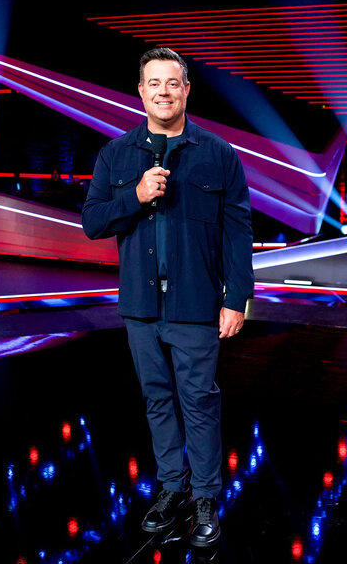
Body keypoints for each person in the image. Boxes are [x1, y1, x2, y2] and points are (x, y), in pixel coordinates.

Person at [81, 47, 254, 547]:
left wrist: (235, 298)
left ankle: (204, 499)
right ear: (141, 91)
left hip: (197, 305)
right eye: (153, 83)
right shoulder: (116, 155)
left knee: (199, 401)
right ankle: (172, 490)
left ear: (185, 90)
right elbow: (93, 222)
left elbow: (237, 232)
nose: (163, 91)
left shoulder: (218, 154)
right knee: (157, 400)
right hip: (139, 307)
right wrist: (133, 197)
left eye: (172, 83)